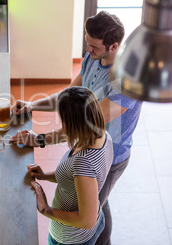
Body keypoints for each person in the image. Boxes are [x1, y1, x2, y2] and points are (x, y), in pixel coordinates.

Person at [10, 11, 142, 245]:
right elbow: (69, 96)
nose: (88, 51)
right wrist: (33, 106)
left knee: (93, 208)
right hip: (91, 145)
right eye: (87, 44)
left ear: (114, 46)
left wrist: (39, 140)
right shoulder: (93, 57)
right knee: (98, 200)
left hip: (109, 155)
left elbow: (84, 123)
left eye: (94, 47)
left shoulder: (128, 80)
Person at [28, 86, 114, 245]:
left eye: (64, 119)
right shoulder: (102, 136)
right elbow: (74, 179)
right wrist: (44, 175)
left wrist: (45, 209)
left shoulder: (84, 162)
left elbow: (86, 220)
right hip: (89, 226)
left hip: (70, 239)